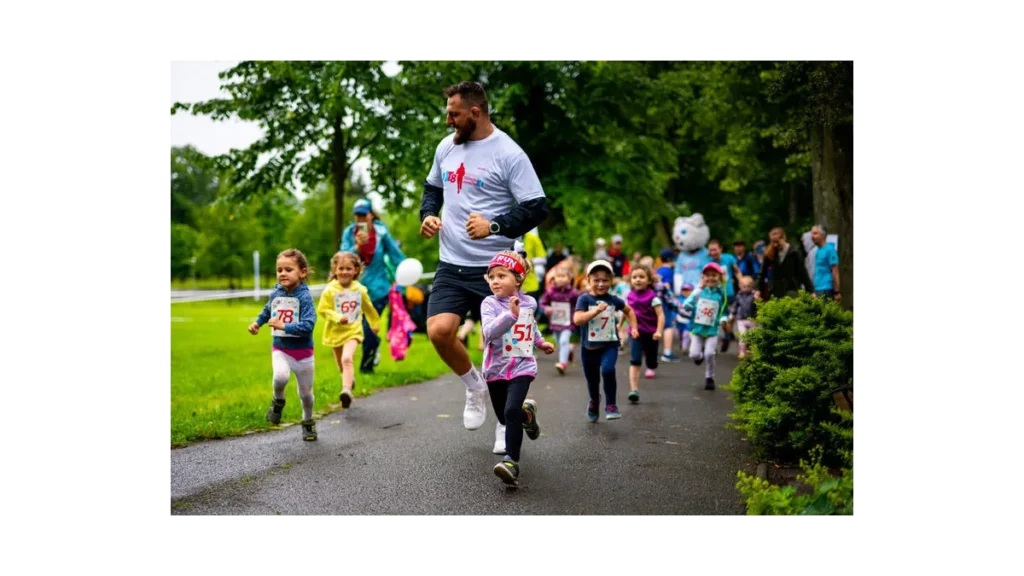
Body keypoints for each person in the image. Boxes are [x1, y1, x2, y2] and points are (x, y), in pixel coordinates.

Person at [419, 81, 549, 432]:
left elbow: (537, 208)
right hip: (451, 261)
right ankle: (474, 387)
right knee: (439, 331)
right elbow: (432, 188)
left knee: (504, 354)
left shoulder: (509, 153)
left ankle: (506, 426)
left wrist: (495, 226)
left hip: (496, 270)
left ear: (475, 113)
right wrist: (428, 215)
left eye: (454, 114)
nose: (448, 120)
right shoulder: (446, 147)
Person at [479, 250, 555, 486]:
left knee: (511, 410)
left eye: (502, 276)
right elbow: (488, 332)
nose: (495, 281)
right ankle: (527, 415)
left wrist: (540, 342)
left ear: (518, 279)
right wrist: (510, 316)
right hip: (496, 368)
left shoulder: (529, 302)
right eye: (492, 277)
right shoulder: (489, 303)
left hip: (522, 365)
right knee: (504, 415)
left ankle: (511, 462)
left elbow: (529, 326)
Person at [248, 249, 319, 441]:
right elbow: (267, 310)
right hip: (280, 349)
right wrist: (257, 323)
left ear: (302, 272)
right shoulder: (276, 292)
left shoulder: (304, 297)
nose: (283, 273)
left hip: (303, 354)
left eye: (288, 269)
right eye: (279, 270)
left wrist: (284, 326)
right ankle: (278, 401)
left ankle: (308, 421)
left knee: (305, 394)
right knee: (280, 377)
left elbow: (309, 325)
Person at [340, 198, 406, 374]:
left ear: (371, 215)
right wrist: (357, 246)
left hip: (378, 290)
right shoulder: (349, 233)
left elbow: (395, 255)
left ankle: (366, 368)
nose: (361, 219)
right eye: (358, 215)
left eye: (364, 215)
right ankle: (373, 347)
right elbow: (343, 259)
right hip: (353, 291)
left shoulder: (381, 233)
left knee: (369, 328)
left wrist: (405, 275)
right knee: (356, 329)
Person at [573, 260, 639, 421]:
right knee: (593, 380)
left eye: (605, 280)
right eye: (596, 280)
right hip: (588, 348)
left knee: (608, 370)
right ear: (588, 280)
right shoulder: (584, 299)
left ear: (611, 280)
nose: (601, 284)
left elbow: (629, 311)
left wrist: (634, 328)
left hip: (609, 345)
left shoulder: (613, 300)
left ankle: (611, 404)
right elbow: (577, 319)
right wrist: (595, 311)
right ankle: (594, 401)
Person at [317, 251, 381, 408]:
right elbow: (323, 309)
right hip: (335, 332)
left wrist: (374, 323)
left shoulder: (360, 290)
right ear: (335, 270)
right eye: (341, 268)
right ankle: (349, 380)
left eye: (348, 268)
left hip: (353, 330)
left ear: (356, 270)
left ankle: (346, 391)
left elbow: (369, 308)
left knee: (347, 359)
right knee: (341, 364)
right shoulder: (330, 290)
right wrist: (337, 317)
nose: (344, 272)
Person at [681, 262, 729, 391]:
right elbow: (687, 303)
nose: (710, 278)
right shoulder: (698, 292)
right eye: (707, 275)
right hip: (697, 329)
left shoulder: (721, 295)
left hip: (712, 330)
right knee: (694, 355)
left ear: (719, 277)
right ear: (703, 277)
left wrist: (724, 320)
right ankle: (699, 357)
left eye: (714, 275)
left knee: (709, 354)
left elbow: (724, 312)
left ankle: (709, 377)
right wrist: (688, 306)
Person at [625, 264, 664, 403]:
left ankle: (652, 365)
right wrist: (619, 324)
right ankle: (634, 390)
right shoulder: (629, 296)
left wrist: (659, 331)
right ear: (630, 280)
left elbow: (660, 315)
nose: (638, 280)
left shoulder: (653, 297)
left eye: (641, 277)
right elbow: (627, 311)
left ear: (649, 280)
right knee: (635, 360)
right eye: (634, 277)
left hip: (651, 333)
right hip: (635, 333)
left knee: (651, 359)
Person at [540, 265, 579, 375]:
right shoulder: (551, 292)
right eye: (558, 276)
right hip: (555, 322)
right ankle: (569, 350)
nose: (561, 278)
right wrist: (547, 308)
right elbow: (543, 303)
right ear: (554, 278)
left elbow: (578, 305)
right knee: (559, 343)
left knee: (563, 341)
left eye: (563, 276)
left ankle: (562, 364)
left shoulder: (573, 293)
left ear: (569, 278)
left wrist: (576, 314)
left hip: (568, 323)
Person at [756, 227, 814, 301]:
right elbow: (762, 273)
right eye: (773, 242)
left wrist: (811, 291)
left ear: (783, 238)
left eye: (777, 242)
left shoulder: (794, 252)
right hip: (776, 290)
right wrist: (757, 290)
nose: (775, 245)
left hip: (792, 288)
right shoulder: (770, 253)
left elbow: (802, 272)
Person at [810, 224, 841, 302]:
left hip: (826, 288)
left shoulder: (830, 250)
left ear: (823, 235)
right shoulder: (818, 250)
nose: (812, 236)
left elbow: (835, 270)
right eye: (812, 233)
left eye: (815, 233)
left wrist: (837, 291)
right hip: (817, 288)